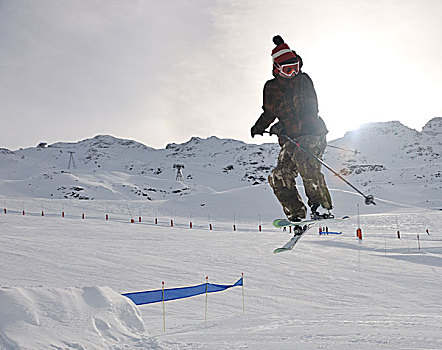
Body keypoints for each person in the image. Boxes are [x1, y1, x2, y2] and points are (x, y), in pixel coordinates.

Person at [251, 35, 333, 222]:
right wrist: (259, 126)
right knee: (278, 175)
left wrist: (281, 126)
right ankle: (296, 212)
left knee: (304, 160)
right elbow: (268, 112)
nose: (293, 73)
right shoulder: (270, 88)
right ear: (276, 69)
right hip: (290, 138)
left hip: (311, 132)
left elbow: (305, 108)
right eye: (287, 70)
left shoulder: (302, 81)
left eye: (295, 68)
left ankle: (321, 206)